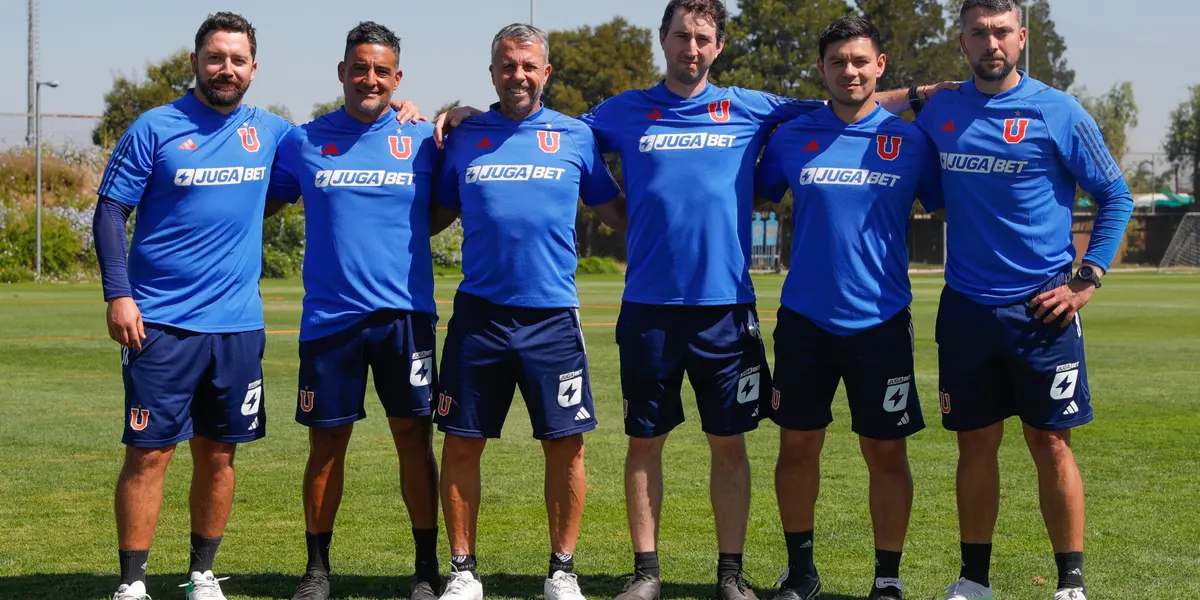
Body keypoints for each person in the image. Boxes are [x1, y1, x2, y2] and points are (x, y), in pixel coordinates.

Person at [434, 4, 951, 598]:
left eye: (703, 37)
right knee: (643, 442)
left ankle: (730, 574)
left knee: (728, 444)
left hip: (726, 307)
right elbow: (546, 128)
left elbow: (847, 103)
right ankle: (645, 573)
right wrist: (469, 115)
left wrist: (916, 94)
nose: (691, 47)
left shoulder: (754, 107)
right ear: (664, 40)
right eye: (681, 35)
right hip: (649, 308)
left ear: (718, 46)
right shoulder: (622, 111)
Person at [912, 2, 1134, 599]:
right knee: (974, 446)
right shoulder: (942, 109)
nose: (992, 43)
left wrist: (1086, 279)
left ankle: (1070, 584)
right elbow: (871, 111)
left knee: (1051, 444)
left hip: (1043, 309)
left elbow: (1116, 193)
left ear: (1022, 37)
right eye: (979, 33)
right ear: (962, 41)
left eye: (1002, 32)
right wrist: (916, 90)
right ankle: (973, 582)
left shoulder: (1057, 110)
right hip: (966, 309)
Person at [92, 12, 291, 600]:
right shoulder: (155, 128)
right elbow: (109, 212)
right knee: (149, 454)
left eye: (237, 59)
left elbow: (339, 140)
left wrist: (422, 112)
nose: (225, 69)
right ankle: (132, 584)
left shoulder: (275, 131)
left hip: (237, 329)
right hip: (161, 325)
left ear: (253, 68)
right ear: (195, 62)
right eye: (215, 57)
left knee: (220, 454)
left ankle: (202, 574)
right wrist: (119, 294)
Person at [430, 22, 625, 600]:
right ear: (492, 72)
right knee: (462, 441)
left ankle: (561, 570)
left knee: (566, 445)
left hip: (553, 320)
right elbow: (432, 213)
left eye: (529, 65)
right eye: (508, 65)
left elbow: (615, 211)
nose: (518, 74)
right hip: (479, 318)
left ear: (546, 73)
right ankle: (463, 571)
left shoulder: (574, 137)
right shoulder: (463, 135)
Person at [753, 16, 944, 600]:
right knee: (797, 445)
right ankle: (801, 572)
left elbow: (950, 208)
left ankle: (887, 578)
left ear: (879, 65)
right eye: (838, 61)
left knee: (886, 451)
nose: (850, 70)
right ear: (822, 70)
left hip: (881, 322)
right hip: (805, 321)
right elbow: (756, 194)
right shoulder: (792, 136)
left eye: (860, 60)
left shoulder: (912, 141)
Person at [264, 21, 444, 600]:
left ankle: (425, 570)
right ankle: (317, 570)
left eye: (382, 71)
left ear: (397, 78)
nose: (371, 79)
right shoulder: (303, 141)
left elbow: (447, 203)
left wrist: (455, 112)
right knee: (325, 445)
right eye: (360, 68)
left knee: (414, 440)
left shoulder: (423, 137)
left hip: (405, 317)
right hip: (330, 321)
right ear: (342, 72)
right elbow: (249, 199)